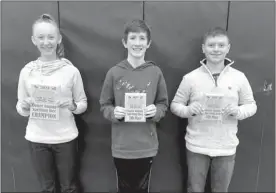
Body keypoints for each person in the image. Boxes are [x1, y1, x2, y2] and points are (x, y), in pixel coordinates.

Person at [170, 27, 257, 193]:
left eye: (221, 45)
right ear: (203, 48)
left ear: (228, 48)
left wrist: (238, 112)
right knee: (194, 189)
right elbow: (175, 105)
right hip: (196, 146)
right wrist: (188, 110)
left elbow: (251, 105)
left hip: (226, 146)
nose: (216, 49)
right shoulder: (190, 78)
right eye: (211, 45)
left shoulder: (239, 77)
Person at [16, 13, 87, 193]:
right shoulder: (27, 71)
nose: (46, 42)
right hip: (37, 138)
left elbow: (82, 104)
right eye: (41, 37)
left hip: (65, 138)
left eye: (50, 37)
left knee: (68, 188)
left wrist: (72, 106)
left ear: (59, 39)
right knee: (47, 188)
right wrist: (24, 106)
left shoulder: (70, 71)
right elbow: (21, 107)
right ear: (33, 40)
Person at [99, 19, 168, 193]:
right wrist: (114, 112)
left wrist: (156, 111)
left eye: (142, 39)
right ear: (125, 42)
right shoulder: (114, 72)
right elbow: (104, 105)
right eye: (133, 38)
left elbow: (163, 104)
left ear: (148, 43)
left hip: (146, 145)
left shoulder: (155, 72)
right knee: (124, 188)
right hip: (122, 146)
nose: (137, 43)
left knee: (142, 189)